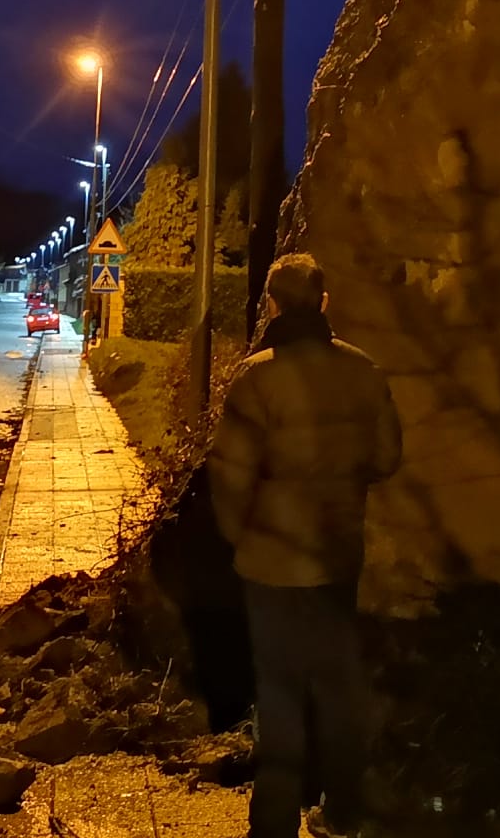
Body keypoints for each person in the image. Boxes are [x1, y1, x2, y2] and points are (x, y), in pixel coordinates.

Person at [209, 253, 403, 838]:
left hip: (270, 564)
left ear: (271, 303)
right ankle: (343, 811)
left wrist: (238, 537)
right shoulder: (363, 370)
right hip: (337, 555)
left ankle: (273, 824)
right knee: (339, 687)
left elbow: (229, 477)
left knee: (280, 691)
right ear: (323, 301)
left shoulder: (256, 378)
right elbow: (388, 457)